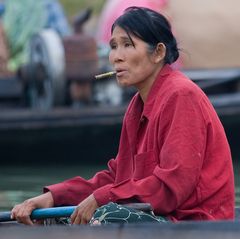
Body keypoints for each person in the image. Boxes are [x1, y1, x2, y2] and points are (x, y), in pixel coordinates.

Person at [11, 6, 235, 225]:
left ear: (158, 52)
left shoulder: (181, 95)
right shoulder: (136, 106)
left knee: (105, 216)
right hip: (159, 216)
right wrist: (54, 197)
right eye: (113, 46)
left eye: (127, 45)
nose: (116, 57)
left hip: (194, 222)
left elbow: (171, 188)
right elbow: (117, 179)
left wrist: (101, 198)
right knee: (54, 216)